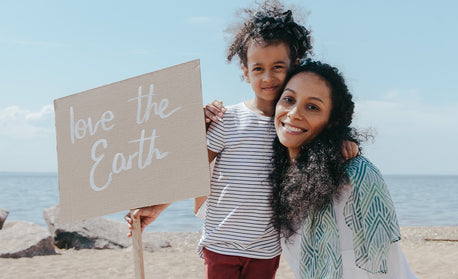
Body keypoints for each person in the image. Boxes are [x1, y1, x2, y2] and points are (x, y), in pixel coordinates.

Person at [126, 2, 355, 279]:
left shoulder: (294, 128)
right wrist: (157, 207)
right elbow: (192, 172)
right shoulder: (227, 119)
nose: (268, 77)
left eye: (278, 67)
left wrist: (340, 144)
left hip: (266, 248)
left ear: (294, 66)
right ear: (245, 72)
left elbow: (320, 151)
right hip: (221, 242)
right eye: (258, 68)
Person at [270, 60, 417, 278]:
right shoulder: (278, 174)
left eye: (313, 107)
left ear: (331, 122)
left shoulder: (356, 176)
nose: (294, 113)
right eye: (289, 99)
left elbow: (388, 268)